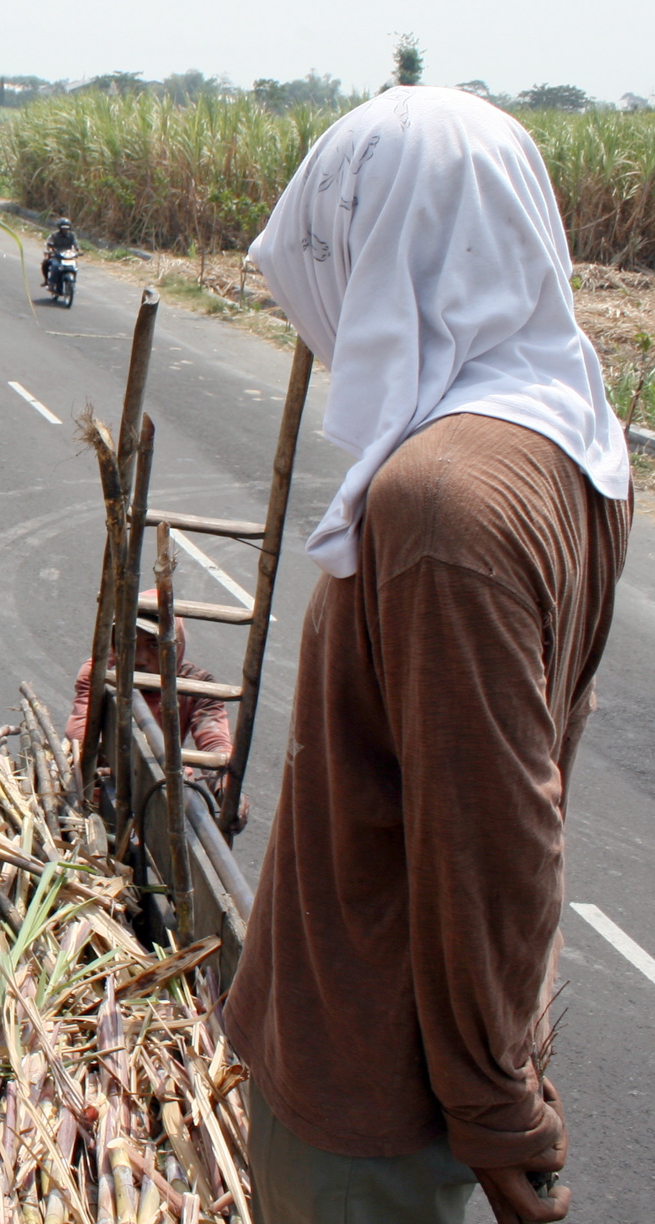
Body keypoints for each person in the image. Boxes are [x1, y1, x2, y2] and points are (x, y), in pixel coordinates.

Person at [224, 87, 632, 1224]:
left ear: (381, 248)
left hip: (374, 1089)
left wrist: (500, 1110)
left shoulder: (442, 504)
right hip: (407, 1066)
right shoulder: (572, 429)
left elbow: (491, 826)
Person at [62, 600, 243, 830]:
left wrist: (225, 788)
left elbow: (215, 743)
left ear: (175, 648)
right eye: (131, 644)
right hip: (97, 788)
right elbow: (80, 734)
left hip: (163, 785)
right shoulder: (101, 672)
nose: (140, 659)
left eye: (154, 646)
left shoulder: (197, 686)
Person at [42, 217, 78, 286]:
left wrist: (78, 250)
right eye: (63, 228)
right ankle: (48, 281)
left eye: (67, 228)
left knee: (75, 265)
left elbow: (76, 244)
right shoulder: (54, 235)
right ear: (59, 228)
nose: (65, 230)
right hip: (56, 255)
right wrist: (49, 250)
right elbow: (49, 243)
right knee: (50, 264)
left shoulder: (72, 235)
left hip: (68, 255)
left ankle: (73, 281)